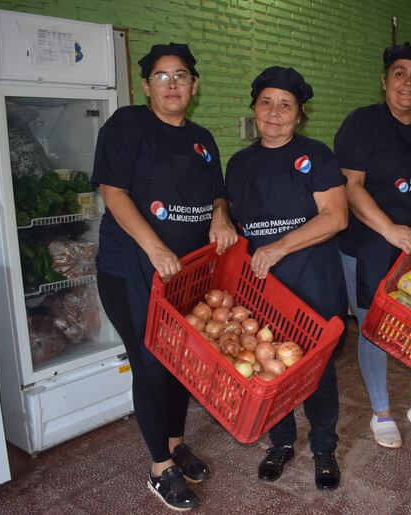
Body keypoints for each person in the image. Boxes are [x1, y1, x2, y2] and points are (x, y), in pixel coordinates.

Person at [92, 43, 238, 510]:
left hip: (186, 272)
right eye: (161, 76)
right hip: (131, 267)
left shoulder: (203, 138)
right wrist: (154, 246)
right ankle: (160, 469)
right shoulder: (127, 126)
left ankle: (175, 444)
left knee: (181, 364)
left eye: (181, 75)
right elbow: (113, 192)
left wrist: (220, 215)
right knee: (152, 364)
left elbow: (218, 194)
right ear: (146, 85)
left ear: (195, 86)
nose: (172, 84)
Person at [225, 66, 349, 490]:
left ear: (298, 115)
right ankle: (280, 442)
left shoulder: (316, 155)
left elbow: (336, 216)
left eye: (285, 105)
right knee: (268, 364)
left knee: (317, 371)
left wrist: (279, 246)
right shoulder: (239, 164)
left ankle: (323, 447)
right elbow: (235, 221)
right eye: (266, 102)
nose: (274, 113)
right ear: (254, 109)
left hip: (312, 279)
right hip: (263, 288)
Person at [334, 42, 411, 451]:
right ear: (384, 80)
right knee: (373, 329)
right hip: (366, 246)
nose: (408, 82)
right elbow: (350, 187)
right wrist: (388, 228)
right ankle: (382, 412)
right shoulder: (362, 124)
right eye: (399, 73)